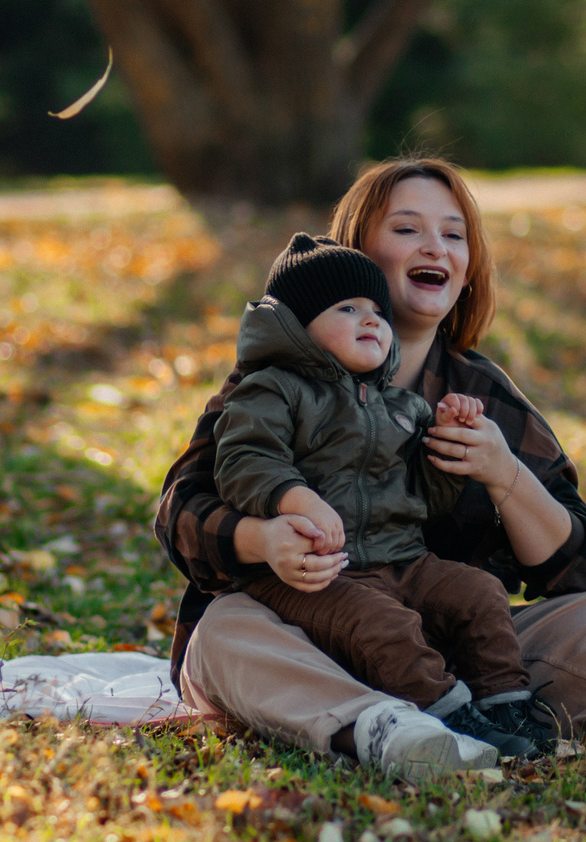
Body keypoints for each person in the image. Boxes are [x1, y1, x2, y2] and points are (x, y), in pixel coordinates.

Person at [155, 156, 586, 782]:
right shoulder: (278, 379)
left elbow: (575, 570)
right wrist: (264, 538)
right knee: (226, 631)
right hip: (311, 643)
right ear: (356, 256)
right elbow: (181, 513)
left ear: (468, 269)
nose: (435, 244)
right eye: (406, 229)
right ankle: (385, 731)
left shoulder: (479, 393)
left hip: (465, 659)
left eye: (454, 233)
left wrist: (505, 474)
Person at [214, 234, 550, 771]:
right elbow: (245, 459)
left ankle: (505, 705)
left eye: (377, 310)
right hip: (323, 572)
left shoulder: (402, 405)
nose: (370, 319)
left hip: (402, 558)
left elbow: (428, 499)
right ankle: (445, 717)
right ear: (297, 326)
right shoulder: (272, 389)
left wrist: (442, 445)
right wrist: (294, 499)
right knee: (383, 624)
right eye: (347, 308)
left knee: (478, 594)